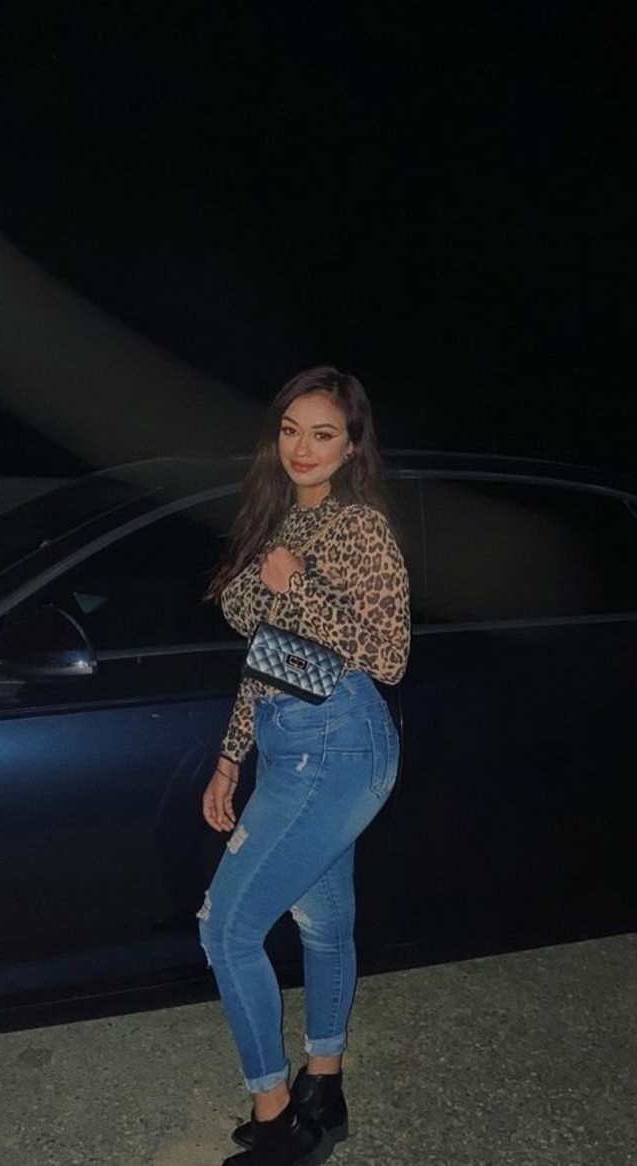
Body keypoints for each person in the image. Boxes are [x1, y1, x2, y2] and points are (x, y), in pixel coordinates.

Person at [199, 366, 411, 1166]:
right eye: (291, 430)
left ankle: (278, 1118)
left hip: (340, 741)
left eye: (323, 433)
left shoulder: (360, 530)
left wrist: (298, 590)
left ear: (351, 446)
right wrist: (231, 758)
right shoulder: (282, 522)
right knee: (322, 924)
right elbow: (269, 658)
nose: (303, 447)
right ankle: (325, 1089)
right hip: (293, 738)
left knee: (226, 928)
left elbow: (389, 655)